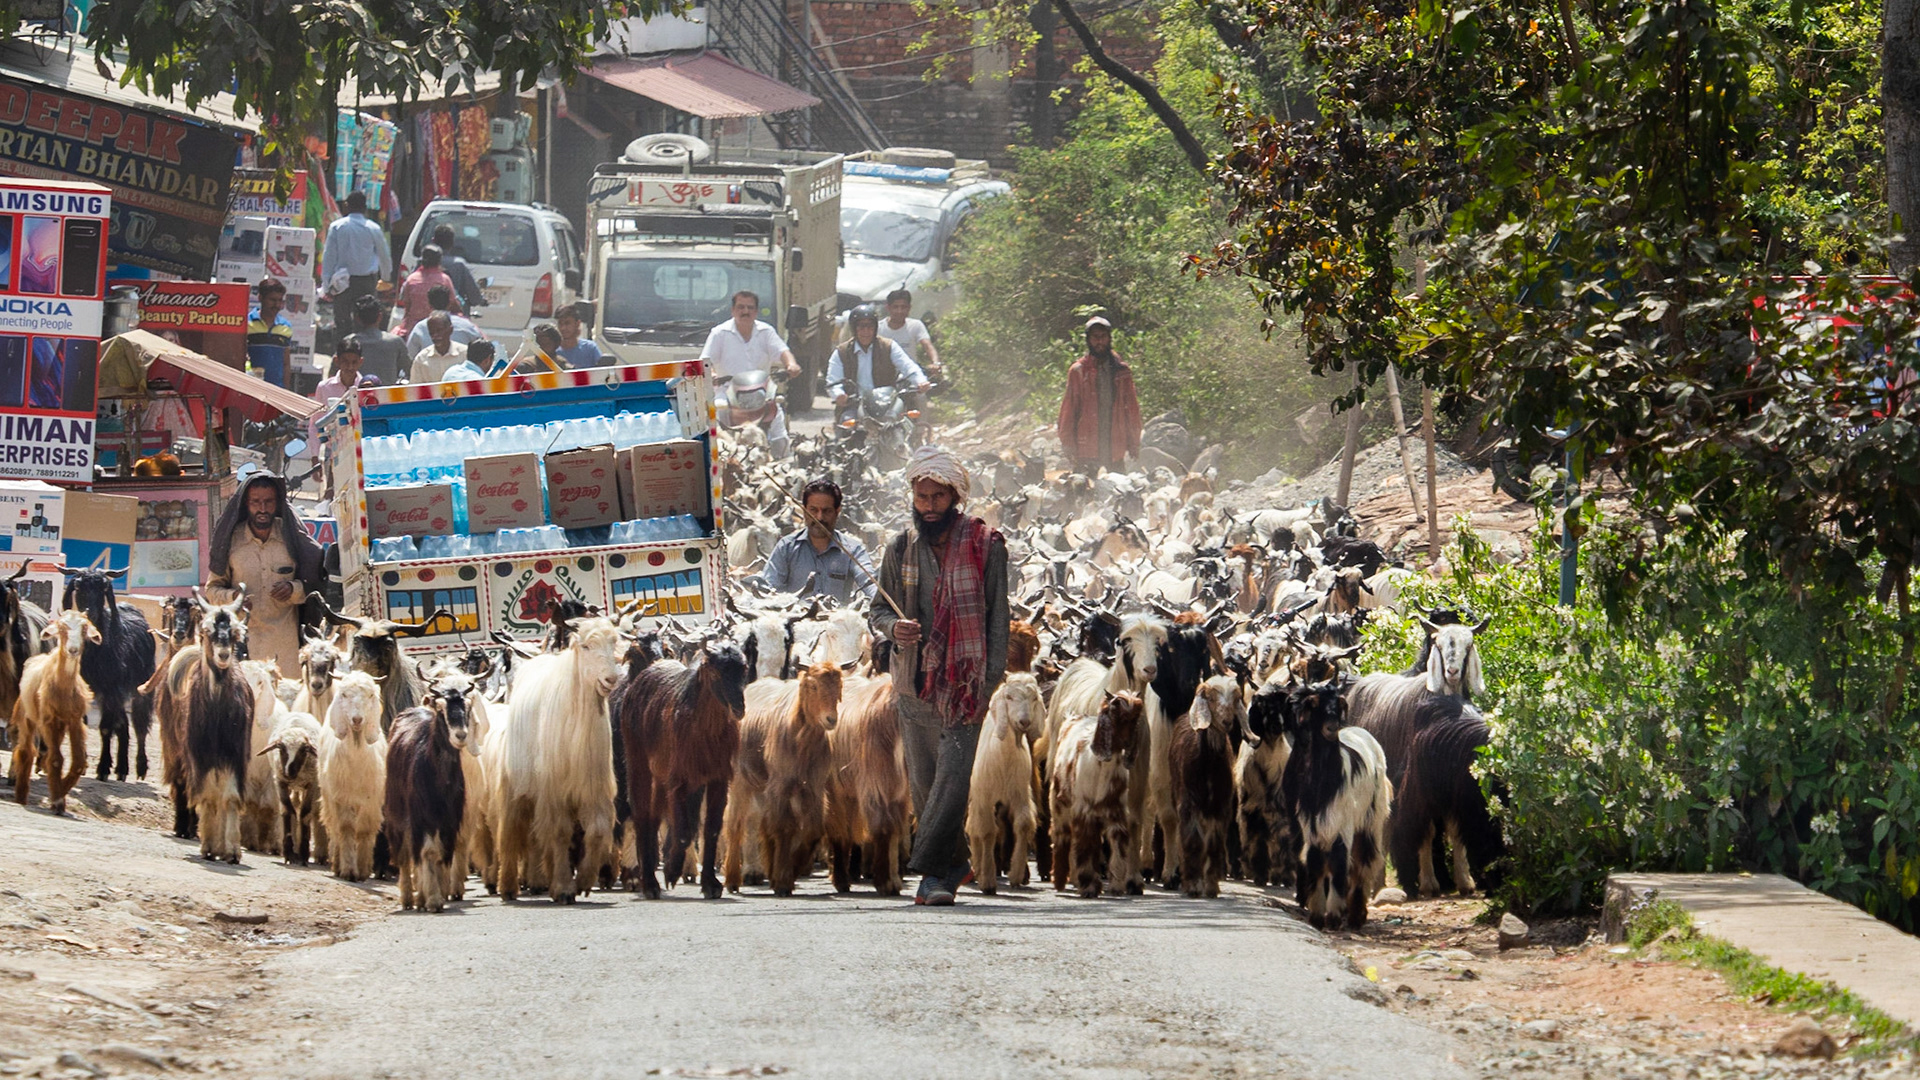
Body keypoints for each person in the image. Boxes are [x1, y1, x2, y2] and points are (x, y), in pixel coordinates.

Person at [868, 446, 1009, 906]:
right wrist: (895, 627)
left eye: (937, 497)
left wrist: (988, 682)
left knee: (953, 778)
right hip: (913, 681)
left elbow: (997, 618)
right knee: (926, 782)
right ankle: (956, 862)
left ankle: (932, 876)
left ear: (955, 497)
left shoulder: (987, 546)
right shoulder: (899, 546)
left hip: (966, 684)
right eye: (921, 496)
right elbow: (877, 610)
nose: (928, 506)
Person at [205, 473, 325, 673]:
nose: (262, 509)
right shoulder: (231, 542)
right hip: (241, 644)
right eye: (256, 502)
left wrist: (293, 589)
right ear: (246, 504)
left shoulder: (292, 538)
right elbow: (212, 590)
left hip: (286, 646)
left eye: (268, 502)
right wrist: (233, 598)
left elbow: (315, 586)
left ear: (277, 504)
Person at [757, 480, 877, 603]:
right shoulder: (786, 547)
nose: (819, 517)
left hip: (837, 620)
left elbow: (869, 582)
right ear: (804, 510)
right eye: (813, 510)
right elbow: (770, 589)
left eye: (827, 511)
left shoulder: (853, 550)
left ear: (837, 512)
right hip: (794, 619)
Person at [1056, 315, 1142, 472]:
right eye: (1095, 337)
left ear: (1109, 338)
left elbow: (1131, 409)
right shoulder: (1078, 371)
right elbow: (1069, 408)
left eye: (1103, 337)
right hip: (1087, 444)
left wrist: (1134, 442)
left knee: (1119, 491)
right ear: (1088, 340)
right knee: (1085, 492)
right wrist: (1067, 442)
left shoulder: (1122, 371)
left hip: (1114, 443)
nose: (1099, 342)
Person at [828, 304, 928, 421]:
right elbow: (833, 380)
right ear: (854, 328)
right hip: (854, 405)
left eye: (870, 327)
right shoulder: (842, 352)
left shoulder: (888, 346)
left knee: (902, 422)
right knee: (846, 424)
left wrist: (921, 382)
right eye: (861, 327)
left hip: (886, 404)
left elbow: (908, 366)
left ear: (875, 328)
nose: (866, 331)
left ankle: (917, 437)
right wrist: (839, 394)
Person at [321, 191, 393, 337]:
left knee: (342, 322)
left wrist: (326, 284)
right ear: (365, 208)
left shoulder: (337, 227)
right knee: (366, 322)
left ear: (346, 206)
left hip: (341, 283)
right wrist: (385, 278)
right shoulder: (373, 228)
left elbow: (329, 257)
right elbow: (384, 256)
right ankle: (362, 354)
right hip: (366, 282)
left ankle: (341, 354)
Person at [395, 245, 459, 337]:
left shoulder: (411, 279)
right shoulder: (444, 279)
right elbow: (453, 304)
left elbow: (407, 307)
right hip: (439, 329)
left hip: (412, 329)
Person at [403, 284, 485, 356]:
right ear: (449, 303)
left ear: (429, 305)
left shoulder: (420, 328)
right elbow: (482, 348)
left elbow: (410, 355)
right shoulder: (467, 326)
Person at [879, 289, 942, 381]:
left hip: (911, 377)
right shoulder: (878, 328)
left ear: (909, 308)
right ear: (888, 308)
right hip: (885, 379)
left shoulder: (916, 325)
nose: (899, 311)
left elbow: (928, 346)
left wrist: (936, 363)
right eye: (895, 307)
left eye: (903, 307)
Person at [351, 294, 409, 386]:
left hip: (357, 397)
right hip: (389, 397)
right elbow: (410, 370)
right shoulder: (395, 342)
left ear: (357, 318)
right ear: (380, 316)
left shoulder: (349, 343)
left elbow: (335, 374)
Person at [246, 279, 295, 387]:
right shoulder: (247, 323)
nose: (277, 305)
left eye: (280, 300)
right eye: (272, 300)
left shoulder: (285, 327)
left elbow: (286, 363)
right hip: (251, 387)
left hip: (276, 389)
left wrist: (285, 391)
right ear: (260, 298)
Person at [431, 223, 486, 313]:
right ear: (453, 243)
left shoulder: (422, 263)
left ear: (433, 241)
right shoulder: (458, 265)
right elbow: (474, 295)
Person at [314, 336, 378, 404]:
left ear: (360, 362)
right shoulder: (324, 388)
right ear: (337, 361)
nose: (350, 367)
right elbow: (319, 414)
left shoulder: (367, 388)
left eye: (354, 362)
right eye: (345, 361)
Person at [410, 313, 468, 383]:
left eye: (439, 331)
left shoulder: (465, 354)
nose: (435, 336)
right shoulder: (421, 359)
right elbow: (415, 388)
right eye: (432, 332)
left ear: (450, 330)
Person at [555, 304, 605, 368]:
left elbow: (602, 371)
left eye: (567, 323)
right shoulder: (553, 351)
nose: (563, 328)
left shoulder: (590, 348)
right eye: (560, 323)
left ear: (577, 324)